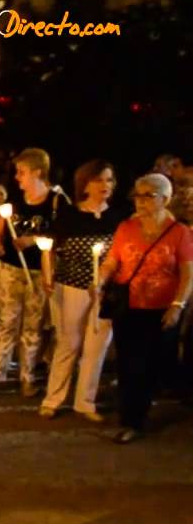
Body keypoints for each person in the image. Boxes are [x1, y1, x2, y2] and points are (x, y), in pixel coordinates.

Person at [95, 174, 193, 444]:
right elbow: (112, 261)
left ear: (165, 199)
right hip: (129, 306)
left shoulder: (179, 233)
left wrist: (177, 306)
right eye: (137, 195)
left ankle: (156, 399)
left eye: (148, 195)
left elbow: (187, 274)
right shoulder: (126, 227)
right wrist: (100, 279)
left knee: (153, 364)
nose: (140, 201)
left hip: (161, 309)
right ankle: (131, 420)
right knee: (130, 364)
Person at [38, 160, 127, 421]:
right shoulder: (70, 215)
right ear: (85, 183)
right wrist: (47, 274)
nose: (105, 186)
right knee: (69, 342)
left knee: (96, 346)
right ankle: (53, 398)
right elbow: (50, 247)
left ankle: (85, 402)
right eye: (99, 180)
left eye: (109, 180)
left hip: (106, 290)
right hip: (73, 285)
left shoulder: (119, 216)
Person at [0, 148, 69, 397]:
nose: (18, 177)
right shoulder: (15, 203)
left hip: (39, 272)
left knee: (33, 326)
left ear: (37, 172)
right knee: (5, 323)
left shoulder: (57, 202)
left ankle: (27, 377)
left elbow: (62, 236)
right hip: (10, 269)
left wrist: (33, 240)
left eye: (22, 172)